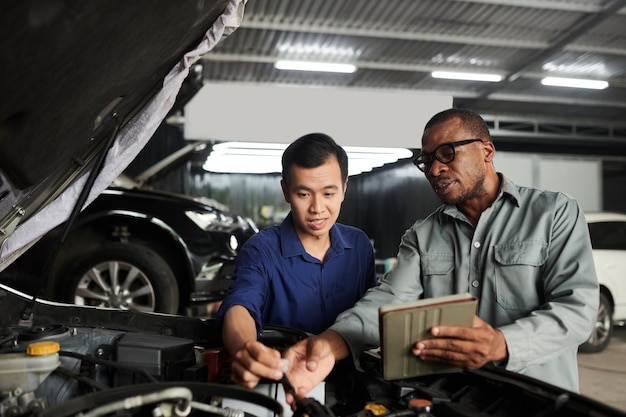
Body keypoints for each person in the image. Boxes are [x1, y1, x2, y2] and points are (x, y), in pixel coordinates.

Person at [282, 108, 599, 403]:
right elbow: (387, 302)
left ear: (486, 151)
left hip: (537, 403)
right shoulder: (422, 236)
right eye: (427, 160)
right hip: (455, 403)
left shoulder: (554, 213)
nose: (434, 168)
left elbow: (578, 310)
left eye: (447, 153)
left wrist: (502, 344)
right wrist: (328, 344)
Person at [216, 132, 377, 389]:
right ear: (286, 191)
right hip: (281, 382)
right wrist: (245, 349)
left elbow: (370, 314)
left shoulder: (359, 246)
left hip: (350, 386)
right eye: (304, 194)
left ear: (344, 189)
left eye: (328, 193)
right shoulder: (261, 249)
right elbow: (240, 306)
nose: (317, 208)